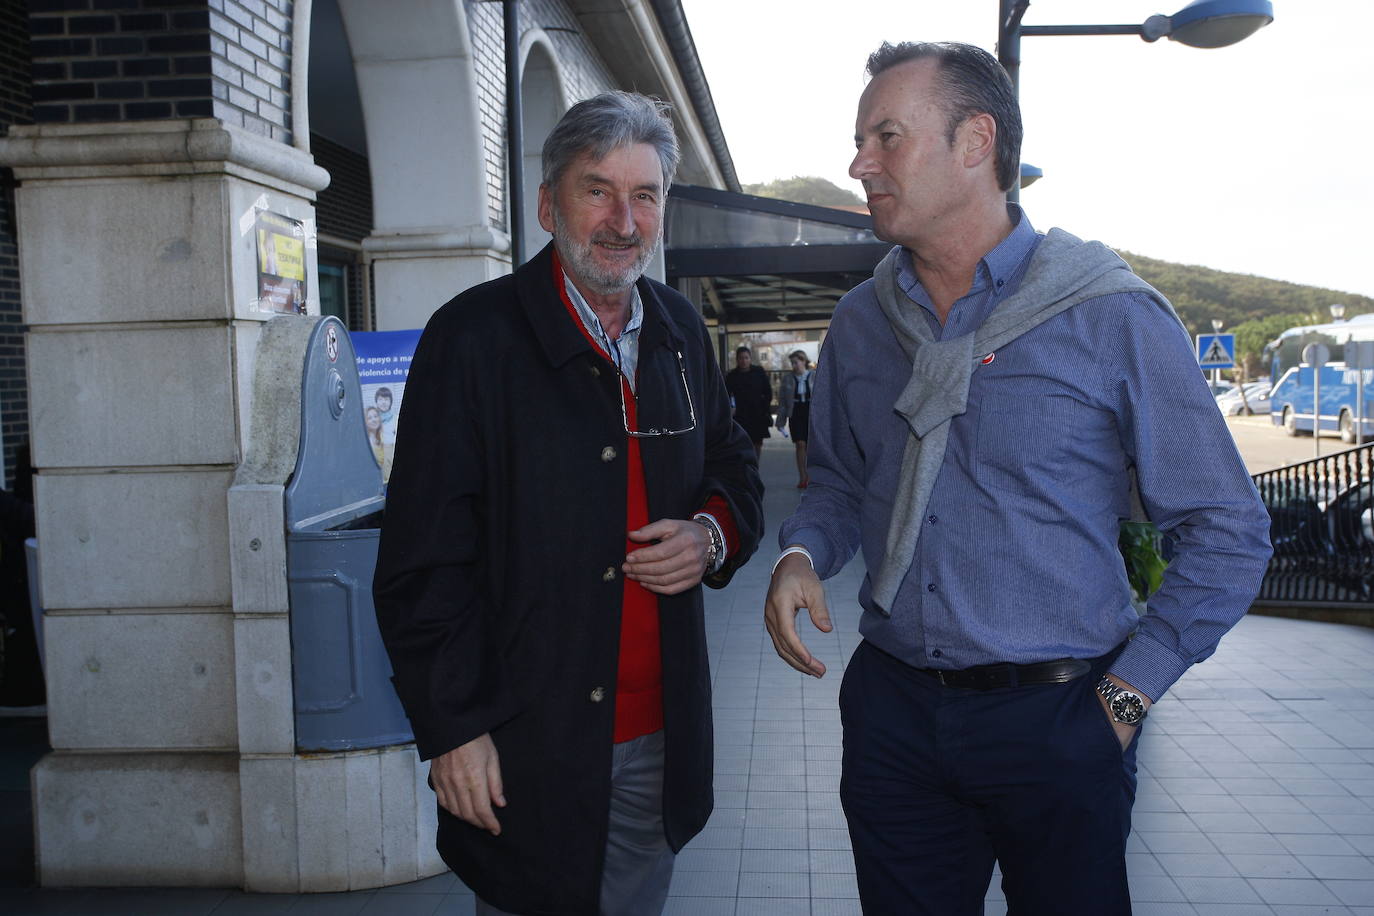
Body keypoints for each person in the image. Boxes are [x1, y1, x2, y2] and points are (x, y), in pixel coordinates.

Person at [763, 41, 1272, 915]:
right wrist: (801, 552)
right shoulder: (861, 322)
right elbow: (841, 485)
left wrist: (1125, 696)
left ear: (976, 143)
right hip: (893, 716)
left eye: (887, 136)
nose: (859, 164)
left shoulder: (1110, 313)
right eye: (860, 140)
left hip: (1063, 716)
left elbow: (1229, 530)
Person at [374, 91, 764, 916]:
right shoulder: (472, 339)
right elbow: (421, 561)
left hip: (661, 736)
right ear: (550, 203)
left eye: (646, 194)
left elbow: (734, 467)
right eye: (599, 191)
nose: (624, 220)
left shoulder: (681, 334)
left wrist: (710, 535)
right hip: (527, 737)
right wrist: (453, 726)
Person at [773, 349, 814, 489]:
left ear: (803, 361)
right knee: (800, 444)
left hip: (811, 411)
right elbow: (783, 401)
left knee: (811, 446)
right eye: (792, 363)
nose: (794, 365)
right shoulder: (788, 378)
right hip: (796, 412)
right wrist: (780, 422)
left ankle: (811, 477)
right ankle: (802, 477)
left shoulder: (814, 376)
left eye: (796, 362)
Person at [724, 345, 771, 455]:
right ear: (737, 360)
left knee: (757, 442)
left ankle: (755, 467)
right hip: (740, 414)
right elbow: (727, 394)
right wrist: (732, 407)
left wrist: (765, 407)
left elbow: (767, 391)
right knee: (742, 441)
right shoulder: (732, 376)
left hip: (757, 412)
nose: (744, 360)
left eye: (746, 358)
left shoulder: (758, 372)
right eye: (741, 358)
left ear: (750, 358)